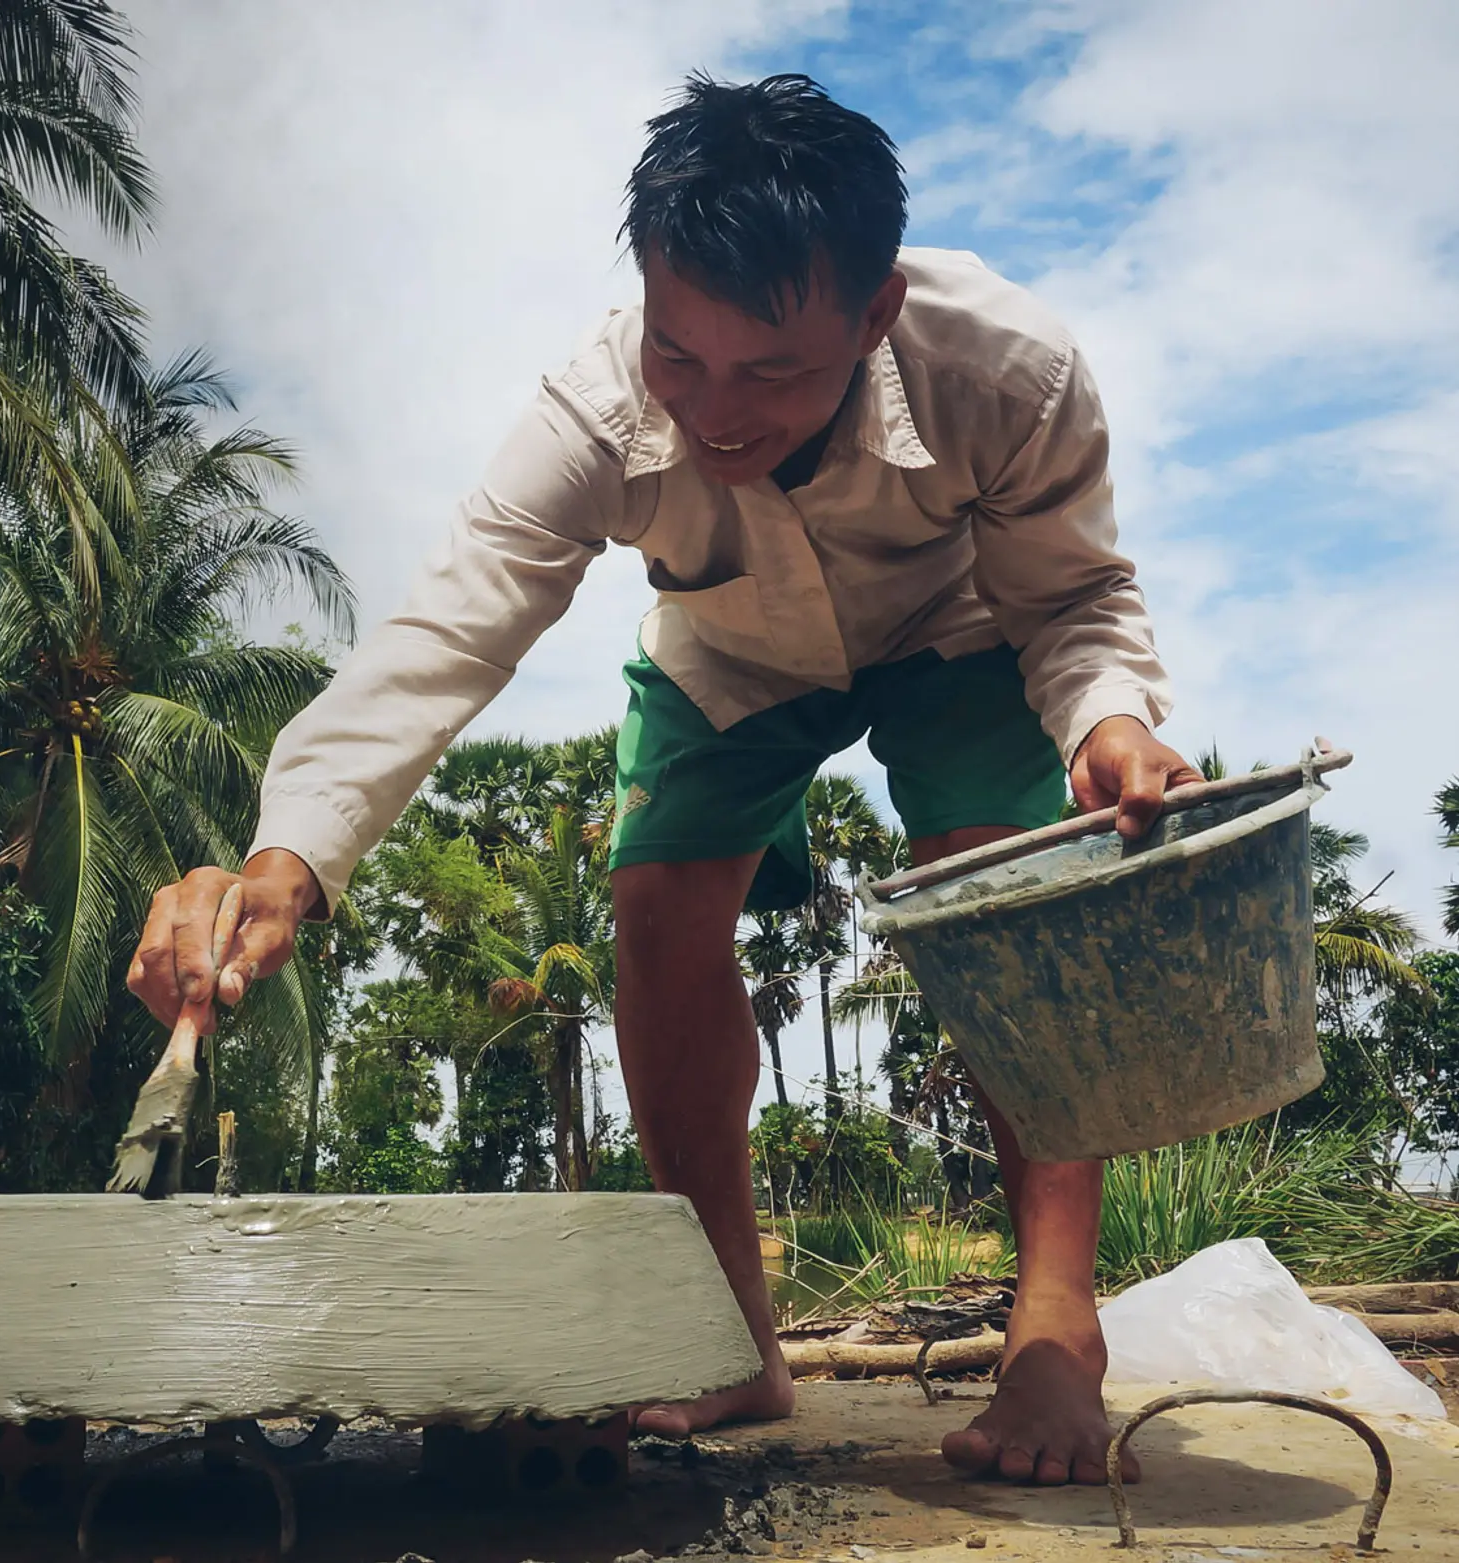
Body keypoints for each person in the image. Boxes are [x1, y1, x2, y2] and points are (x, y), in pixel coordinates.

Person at [125, 72, 1202, 1487]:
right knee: (655, 915)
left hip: (964, 624)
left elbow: (1073, 599)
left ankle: (1057, 1322)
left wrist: (1111, 720)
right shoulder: (590, 412)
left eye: (770, 371)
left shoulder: (1011, 368)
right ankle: (731, 1334)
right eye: (680, 357)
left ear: (875, 316)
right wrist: (288, 858)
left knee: (996, 890)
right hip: (731, 651)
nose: (715, 411)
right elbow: (449, 632)